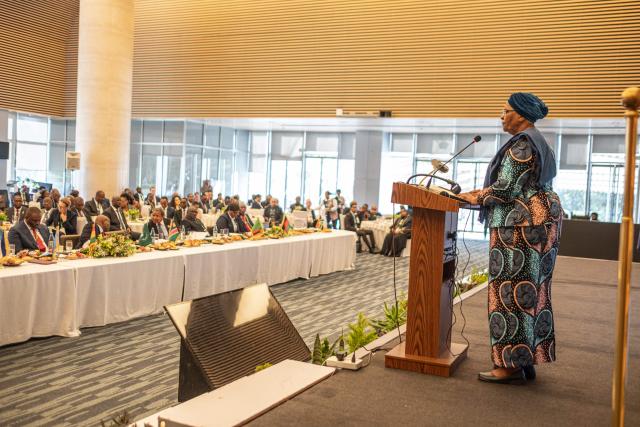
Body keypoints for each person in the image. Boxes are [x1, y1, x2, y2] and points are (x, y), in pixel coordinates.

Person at [457, 92, 562, 384]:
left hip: (520, 226)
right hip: (538, 221)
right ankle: (525, 359)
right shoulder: (538, 141)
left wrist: (476, 195)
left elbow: (504, 189)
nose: (501, 116)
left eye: (505, 111)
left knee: (510, 294)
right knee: (531, 293)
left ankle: (509, 365)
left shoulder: (523, 143)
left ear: (522, 114)